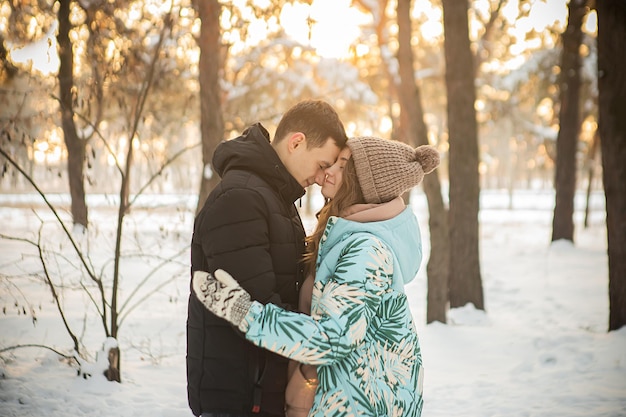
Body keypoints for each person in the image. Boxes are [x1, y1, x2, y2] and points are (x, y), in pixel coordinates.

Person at [192, 136, 440, 417]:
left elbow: (331, 339)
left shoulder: (366, 251)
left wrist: (245, 313)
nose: (328, 173)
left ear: (364, 184)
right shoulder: (349, 239)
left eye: (342, 166)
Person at [187, 99, 348, 417]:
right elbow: (257, 308)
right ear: (297, 142)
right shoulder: (241, 199)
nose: (320, 177)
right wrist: (325, 335)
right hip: (241, 396)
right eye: (321, 164)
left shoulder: (274, 198)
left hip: (261, 390)